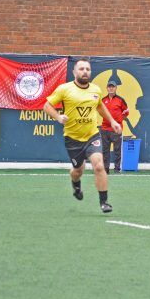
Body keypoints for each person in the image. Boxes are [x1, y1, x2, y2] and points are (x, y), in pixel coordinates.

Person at [43, 58, 122, 213]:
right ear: (74, 72)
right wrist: (59, 117)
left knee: (99, 165)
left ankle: (104, 202)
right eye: (81, 69)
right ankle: (76, 184)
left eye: (87, 69)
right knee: (78, 170)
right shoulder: (64, 89)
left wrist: (112, 121)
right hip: (72, 138)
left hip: (92, 135)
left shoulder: (96, 90)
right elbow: (47, 106)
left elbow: (99, 106)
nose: (85, 71)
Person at [101, 80, 129, 173]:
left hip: (117, 130)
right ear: (107, 88)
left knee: (117, 150)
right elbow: (100, 111)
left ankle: (117, 169)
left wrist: (119, 121)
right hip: (105, 129)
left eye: (113, 86)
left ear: (116, 88)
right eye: (109, 86)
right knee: (105, 151)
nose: (111, 88)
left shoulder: (120, 100)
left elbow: (126, 112)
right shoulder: (103, 100)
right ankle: (106, 170)